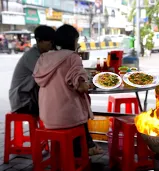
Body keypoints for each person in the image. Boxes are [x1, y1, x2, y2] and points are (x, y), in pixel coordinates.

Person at [33, 24, 103, 156]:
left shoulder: (44, 57)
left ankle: (62, 159)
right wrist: (89, 84)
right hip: (67, 119)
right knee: (81, 116)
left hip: (47, 118)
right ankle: (79, 159)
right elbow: (81, 87)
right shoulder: (72, 57)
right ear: (73, 41)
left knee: (76, 112)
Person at [9, 25, 55, 116]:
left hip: (30, 98)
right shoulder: (32, 56)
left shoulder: (43, 55)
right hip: (23, 101)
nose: (51, 44)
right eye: (49, 41)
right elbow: (47, 75)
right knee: (56, 109)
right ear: (38, 41)